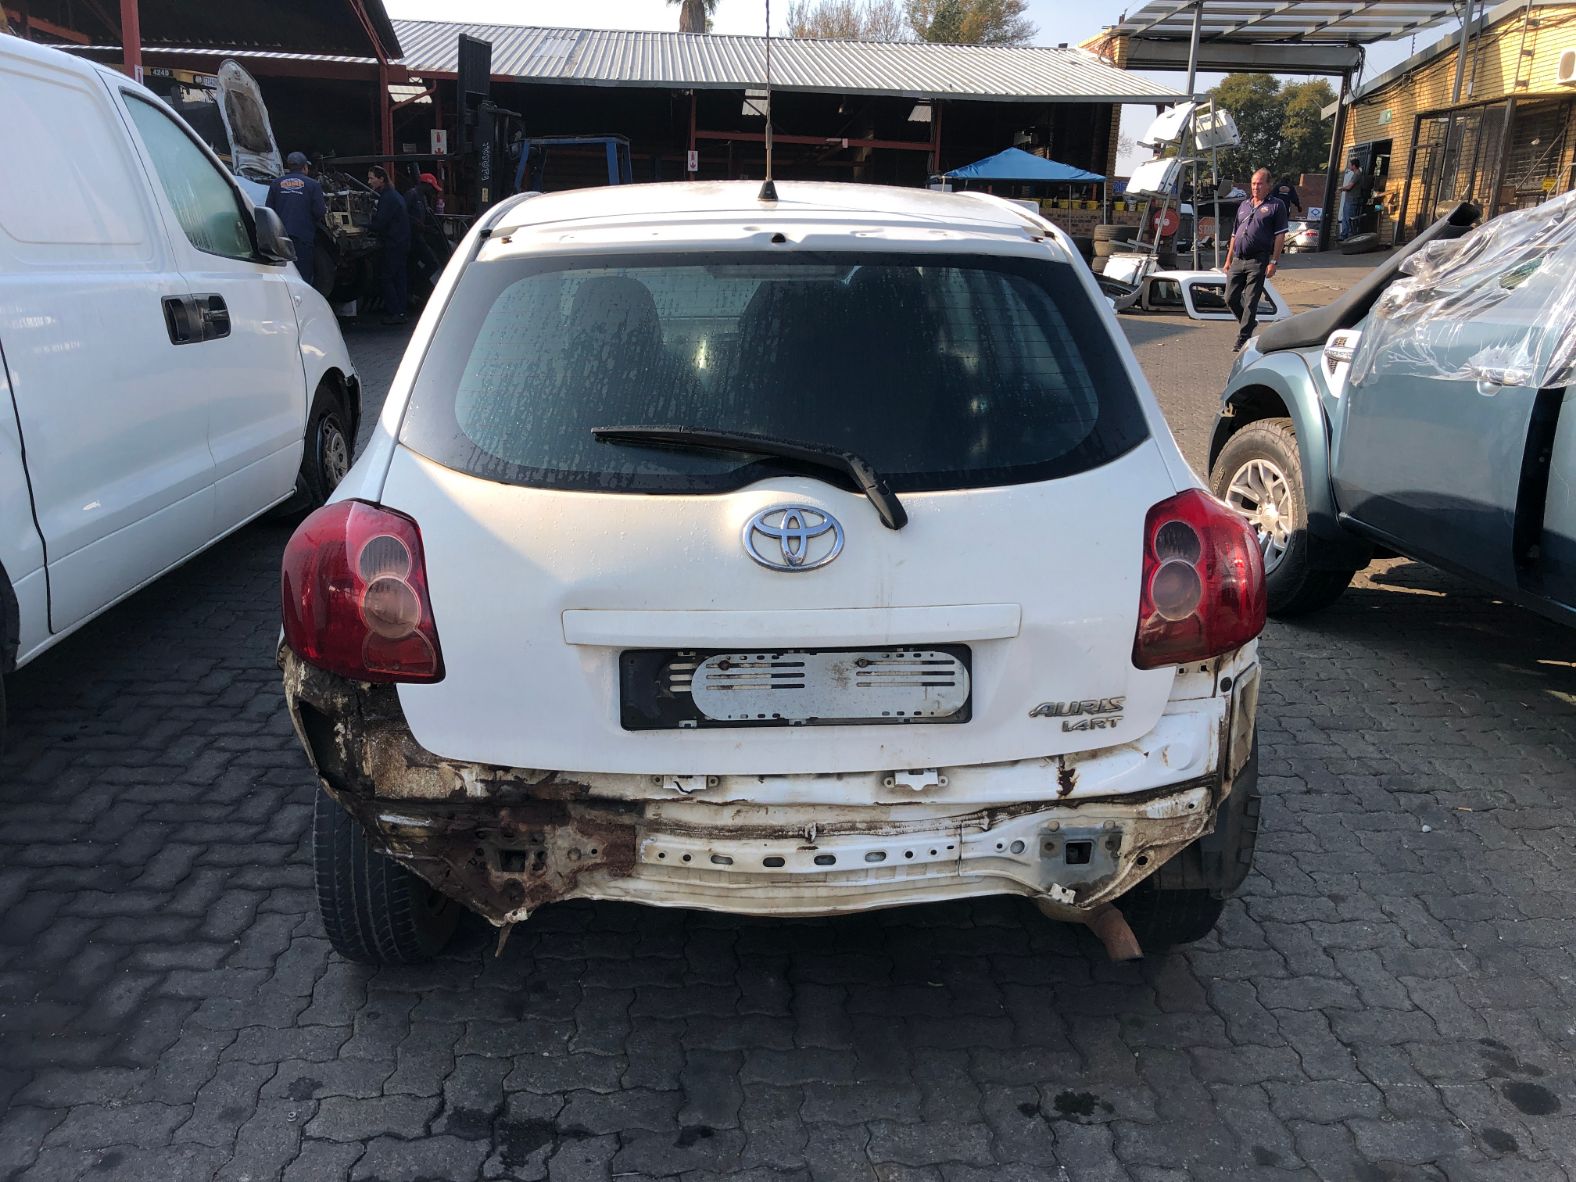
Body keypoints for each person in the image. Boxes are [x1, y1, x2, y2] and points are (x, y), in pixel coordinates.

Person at [1222, 167, 1287, 353]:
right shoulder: (1244, 205)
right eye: (1253, 183)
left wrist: (1274, 262)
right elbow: (1234, 234)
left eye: (1259, 184)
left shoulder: (1276, 206)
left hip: (1258, 260)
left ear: (1268, 185)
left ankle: (1243, 337)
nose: (1255, 187)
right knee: (1230, 298)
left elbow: (1280, 236)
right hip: (1238, 259)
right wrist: (1228, 259)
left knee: (1251, 300)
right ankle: (1249, 323)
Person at [265, 151, 326, 287]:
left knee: (283, 274)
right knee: (302, 276)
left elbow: (268, 211)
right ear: (305, 167)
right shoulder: (313, 185)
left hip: (280, 238)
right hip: (303, 237)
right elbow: (320, 211)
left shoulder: (276, 183)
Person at [366, 165, 409, 325]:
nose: (369, 181)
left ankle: (395, 312)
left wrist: (363, 226)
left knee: (386, 277)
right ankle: (401, 311)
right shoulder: (394, 195)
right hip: (401, 242)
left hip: (393, 244)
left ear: (381, 179)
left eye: (371, 178)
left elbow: (380, 223)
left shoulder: (387, 198)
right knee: (399, 278)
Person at [1339, 156, 1363, 239]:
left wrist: (1341, 188)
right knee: (1346, 217)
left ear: (1354, 166)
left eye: (1350, 164)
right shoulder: (1356, 174)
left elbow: (1349, 186)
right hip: (1350, 199)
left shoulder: (1357, 175)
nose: (1349, 166)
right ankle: (1345, 234)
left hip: (1351, 199)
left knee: (1348, 218)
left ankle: (1348, 236)